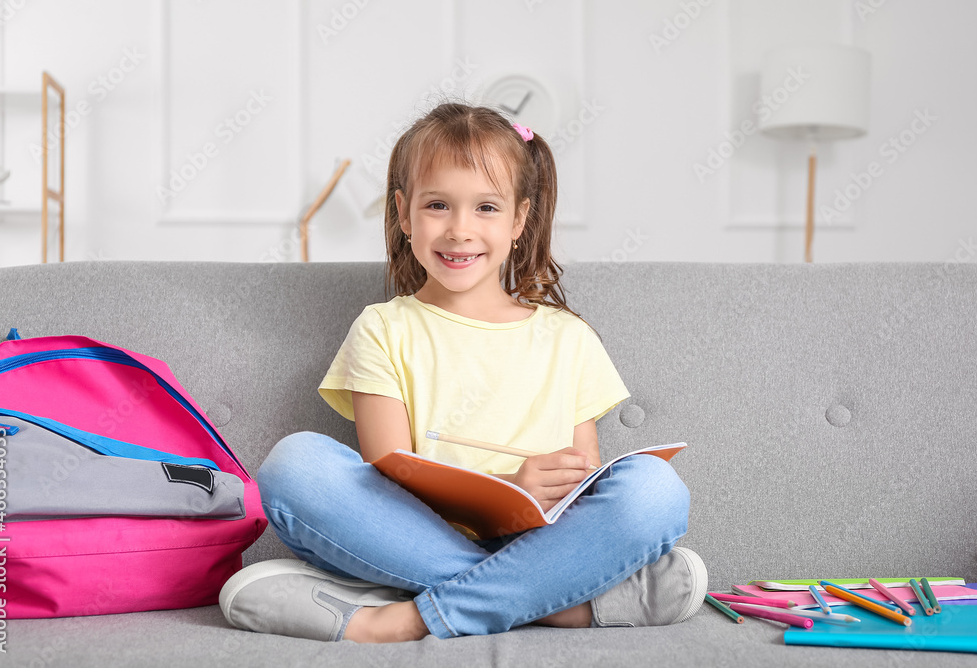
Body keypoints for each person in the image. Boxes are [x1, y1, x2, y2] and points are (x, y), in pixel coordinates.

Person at [219, 102, 707, 643]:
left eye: (486, 208)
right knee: (295, 465)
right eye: (437, 205)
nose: (459, 230)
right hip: (412, 540)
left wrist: (543, 494)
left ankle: (402, 617)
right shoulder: (383, 328)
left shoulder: (569, 338)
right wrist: (504, 487)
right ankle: (556, 605)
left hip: (547, 547)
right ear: (404, 215)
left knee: (656, 491)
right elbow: (389, 468)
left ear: (520, 220)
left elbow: (582, 478)